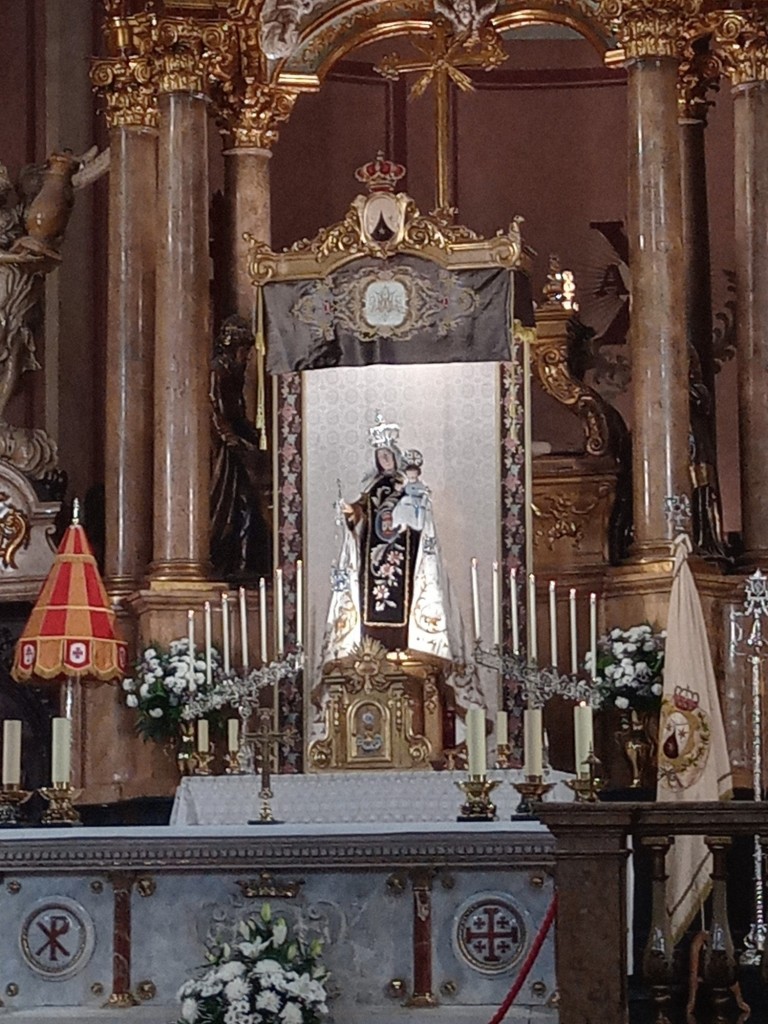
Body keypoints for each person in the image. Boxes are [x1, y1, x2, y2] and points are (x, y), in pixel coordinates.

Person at [209, 316, 271, 581]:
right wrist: (229, 436)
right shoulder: (218, 370)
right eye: (244, 350)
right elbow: (212, 406)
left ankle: (247, 561)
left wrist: (257, 436)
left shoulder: (235, 373)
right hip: (223, 449)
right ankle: (232, 560)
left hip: (236, 444)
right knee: (235, 503)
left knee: (249, 502)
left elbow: (238, 413)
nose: (246, 357)